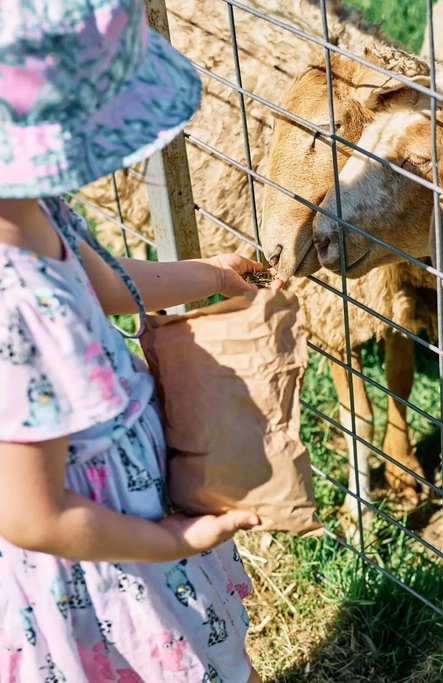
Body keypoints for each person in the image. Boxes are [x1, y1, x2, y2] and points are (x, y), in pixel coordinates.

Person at [0, 0, 280, 680]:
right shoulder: (14, 305)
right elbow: (33, 514)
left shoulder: (31, 206)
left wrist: (207, 274)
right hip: (98, 559)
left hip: (126, 514)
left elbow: (107, 284)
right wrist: (169, 538)